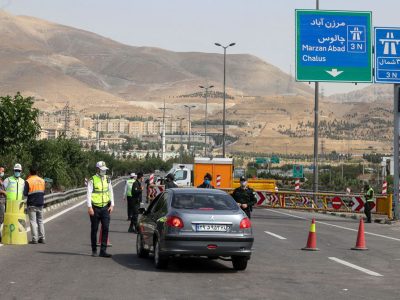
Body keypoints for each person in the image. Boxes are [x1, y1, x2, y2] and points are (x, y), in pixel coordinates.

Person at [87, 161, 114, 257]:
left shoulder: (107, 179)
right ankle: (94, 250)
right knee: (94, 229)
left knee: (106, 228)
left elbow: (110, 191)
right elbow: (89, 194)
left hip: (105, 208)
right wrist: (89, 207)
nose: (104, 172)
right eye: (102, 170)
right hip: (95, 208)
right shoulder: (92, 180)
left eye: (105, 170)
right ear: (97, 170)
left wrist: (112, 205)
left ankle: (103, 250)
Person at [24, 166, 46, 244]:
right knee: (40, 220)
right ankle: (42, 238)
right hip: (40, 203)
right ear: (37, 172)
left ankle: (34, 239)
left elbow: (25, 193)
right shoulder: (42, 180)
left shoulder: (28, 181)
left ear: (30, 172)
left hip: (32, 203)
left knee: (33, 221)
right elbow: (43, 191)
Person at [0, 166, 6, 243]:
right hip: (0, 201)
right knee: (1, 219)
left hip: (2, 201)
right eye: (2, 171)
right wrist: (4, 192)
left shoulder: (1, 180)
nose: (2, 172)